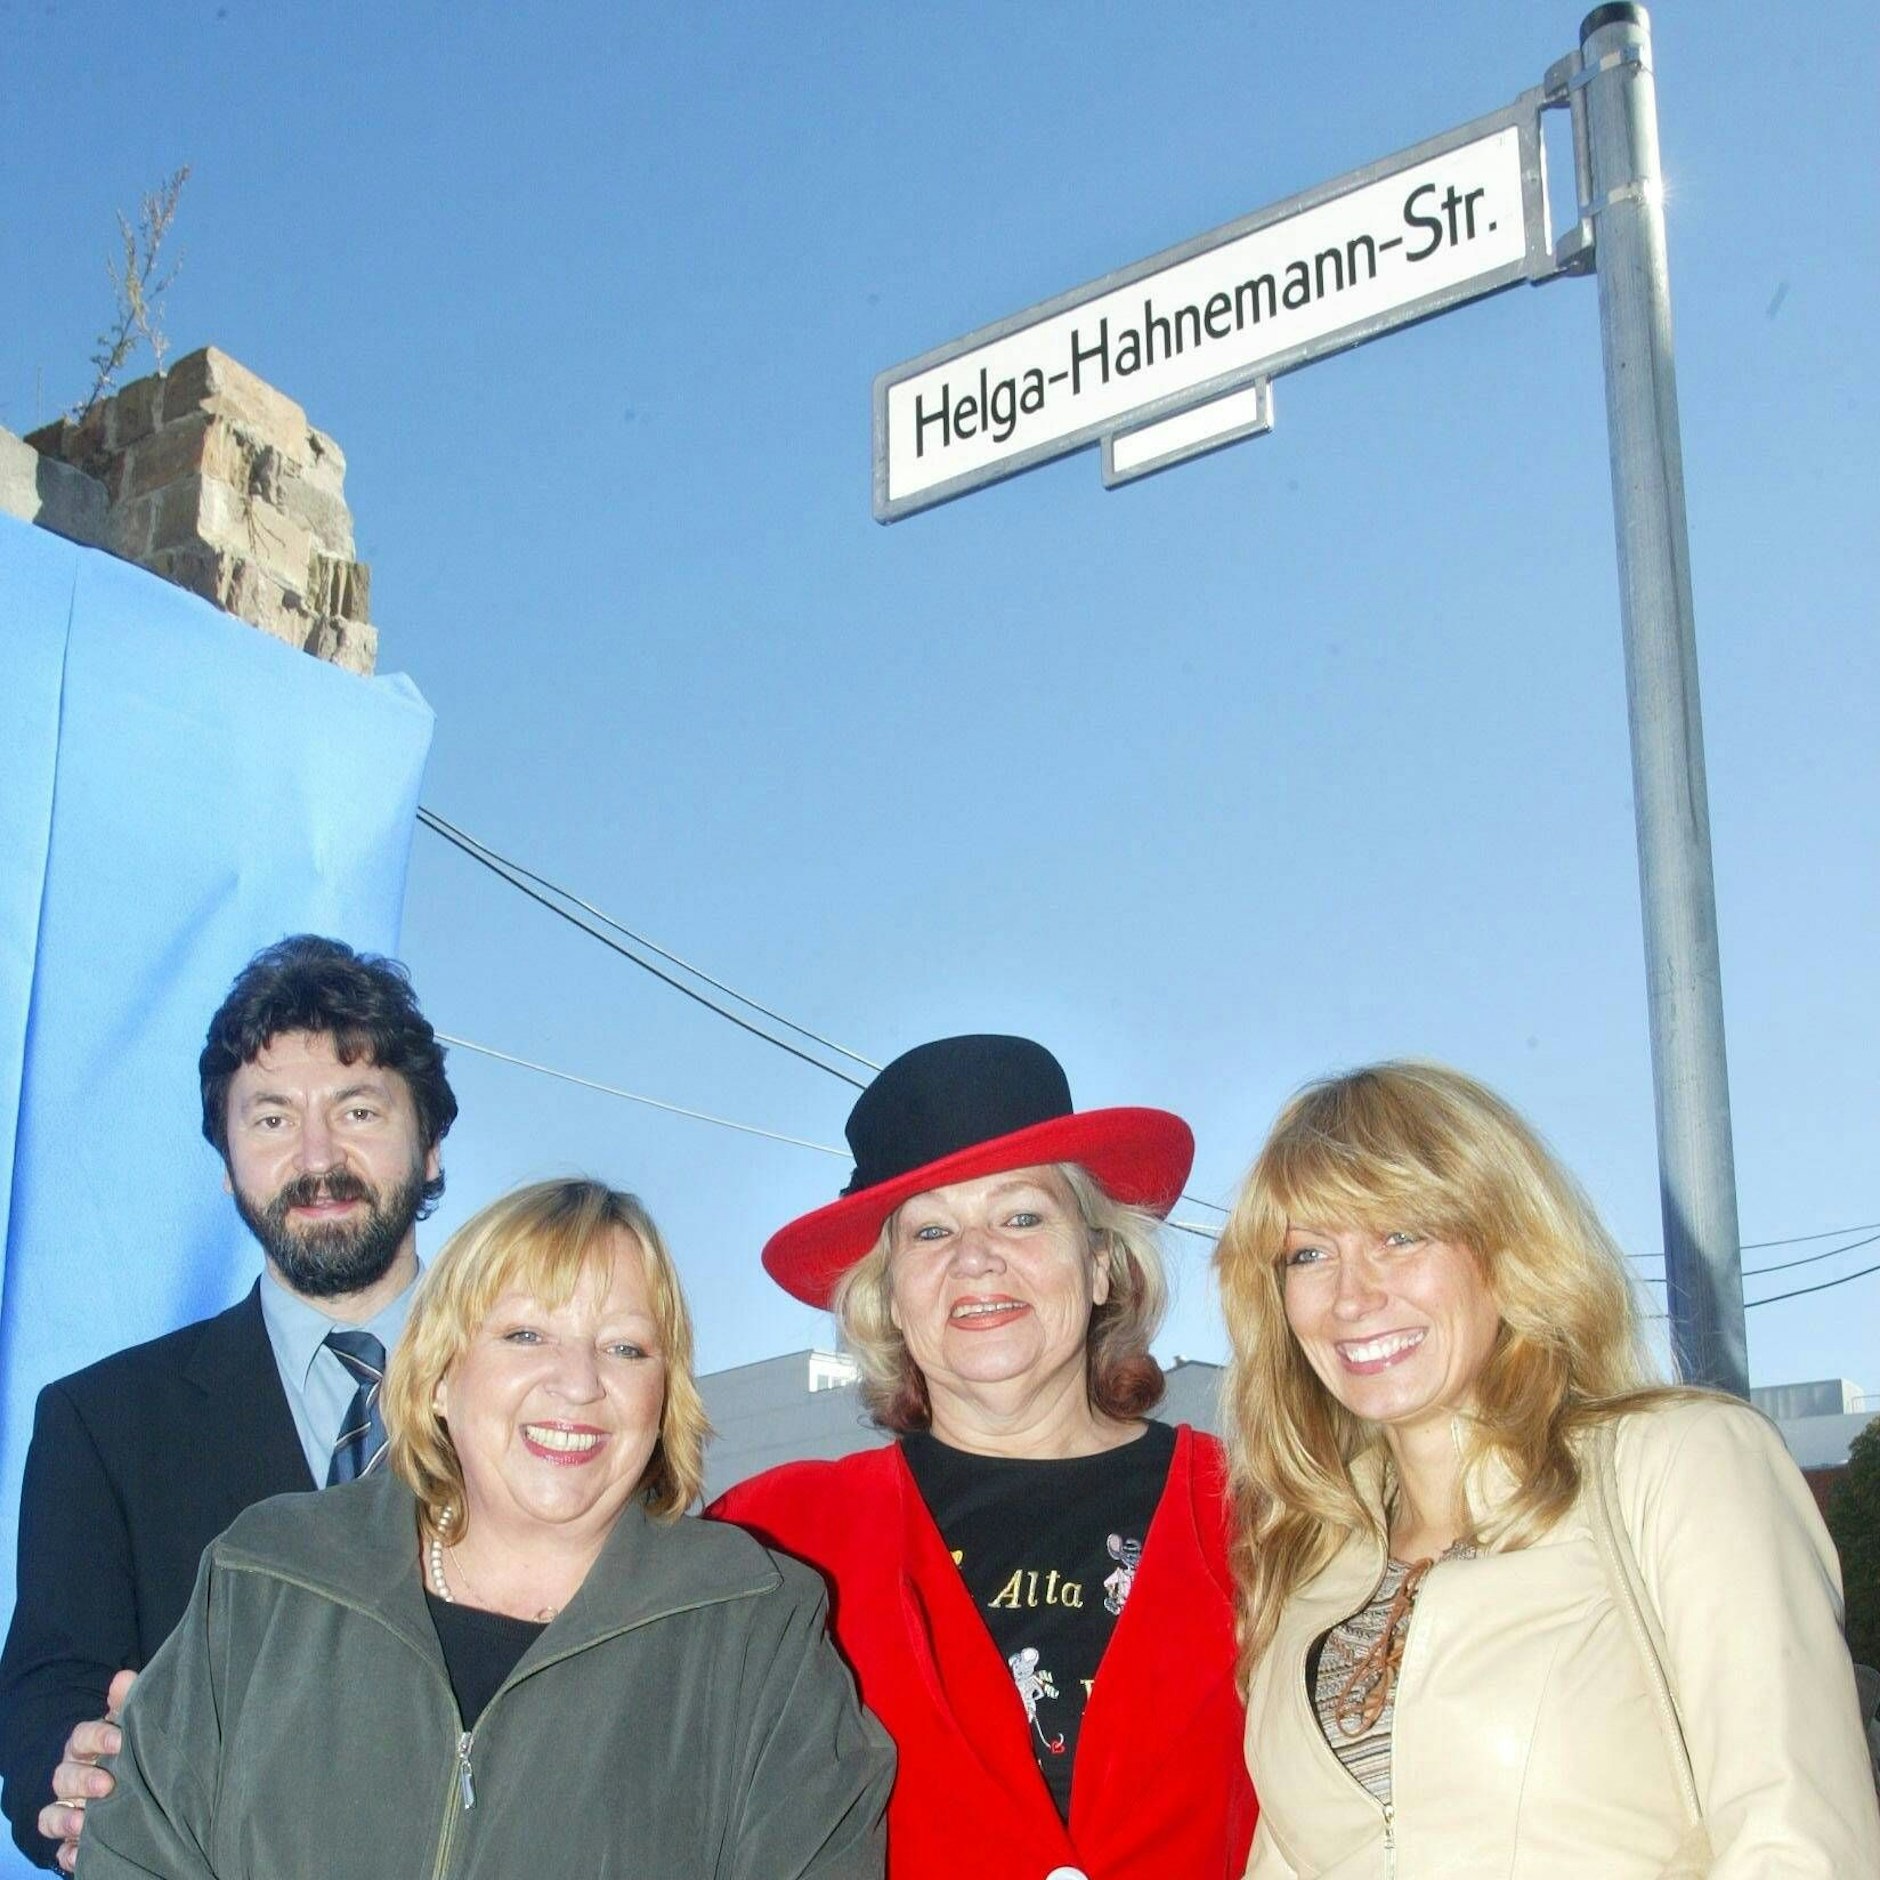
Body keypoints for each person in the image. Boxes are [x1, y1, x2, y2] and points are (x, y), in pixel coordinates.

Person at [75, 1177, 894, 1877]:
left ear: (664, 1400)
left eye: (626, 1348)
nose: (578, 1385)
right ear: (437, 1376)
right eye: (525, 1335)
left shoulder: (758, 1629)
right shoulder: (264, 1583)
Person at [1214, 1060, 1880, 1877]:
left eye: (1399, 1235)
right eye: (1309, 1254)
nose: (1351, 1297)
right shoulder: (1311, 1554)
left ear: (1505, 1246)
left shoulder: (1681, 1464)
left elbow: (1798, 1841)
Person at [711, 1034, 1256, 1880]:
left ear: (1102, 1265)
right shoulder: (771, 1538)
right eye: (931, 1231)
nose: (976, 1258)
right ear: (888, 1295)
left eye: (1022, 1216)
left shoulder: (1261, 1511)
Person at [0, 934, 458, 1871]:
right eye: (271, 1120)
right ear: (224, 1163)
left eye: (359, 1108)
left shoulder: (558, 1404)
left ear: (434, 1146)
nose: (318, 1156)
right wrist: (72, 1774)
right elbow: (51, 1688)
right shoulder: (103, 1423)